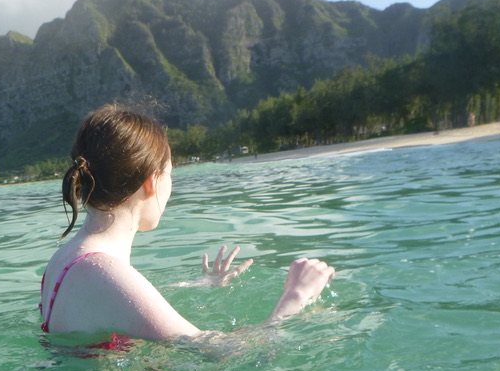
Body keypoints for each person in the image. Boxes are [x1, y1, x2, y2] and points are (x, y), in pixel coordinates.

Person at [38, 105, 335, 342]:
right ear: (151, 182)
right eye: (169, 173)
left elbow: (111, 304)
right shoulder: (103, 271)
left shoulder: (66, 258)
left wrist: (200, 284)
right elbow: (227, 354)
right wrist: (296, 296)